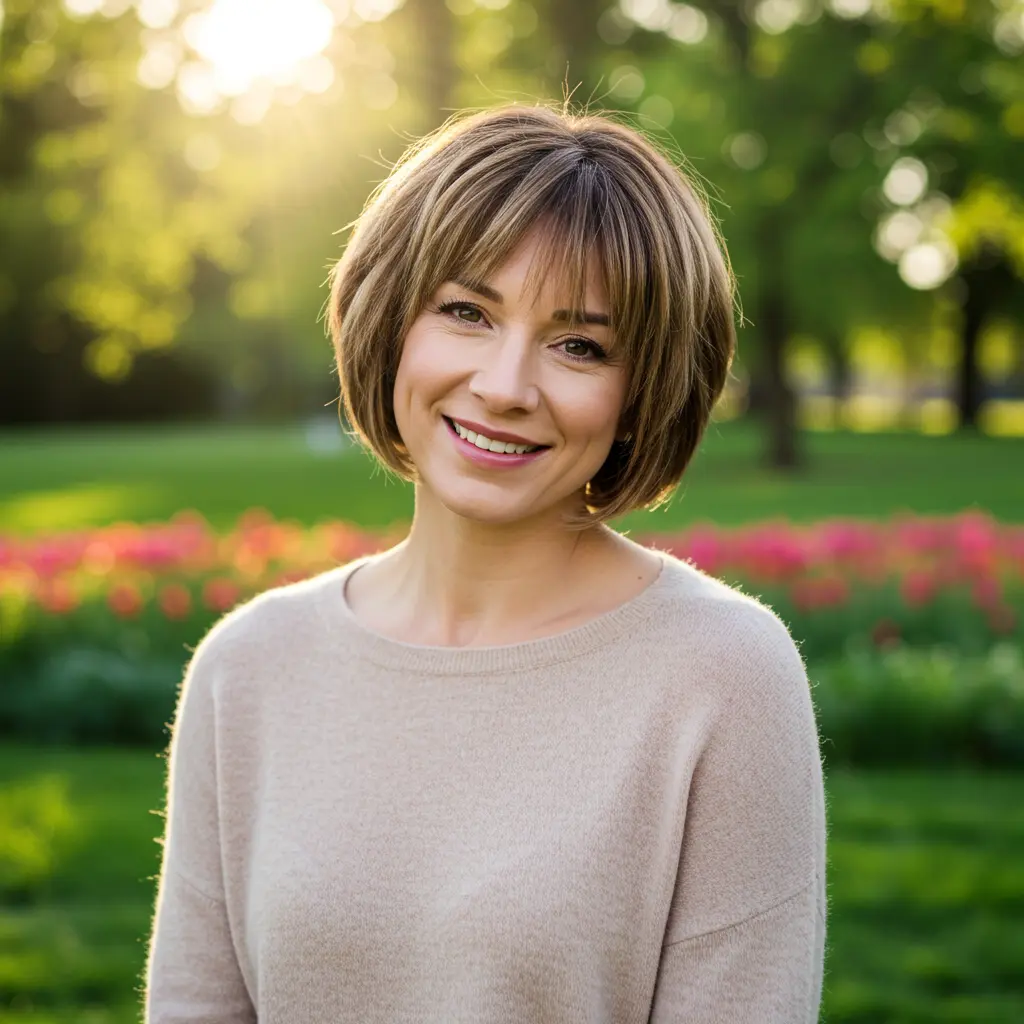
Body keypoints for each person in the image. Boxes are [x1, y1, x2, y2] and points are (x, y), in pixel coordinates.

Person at [145, 103, 827, 1023]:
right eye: (466, 312)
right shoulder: (248, 667)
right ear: (391, 321)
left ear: (643, 391)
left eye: (579, 345)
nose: (505, 387)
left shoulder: (723, 675)